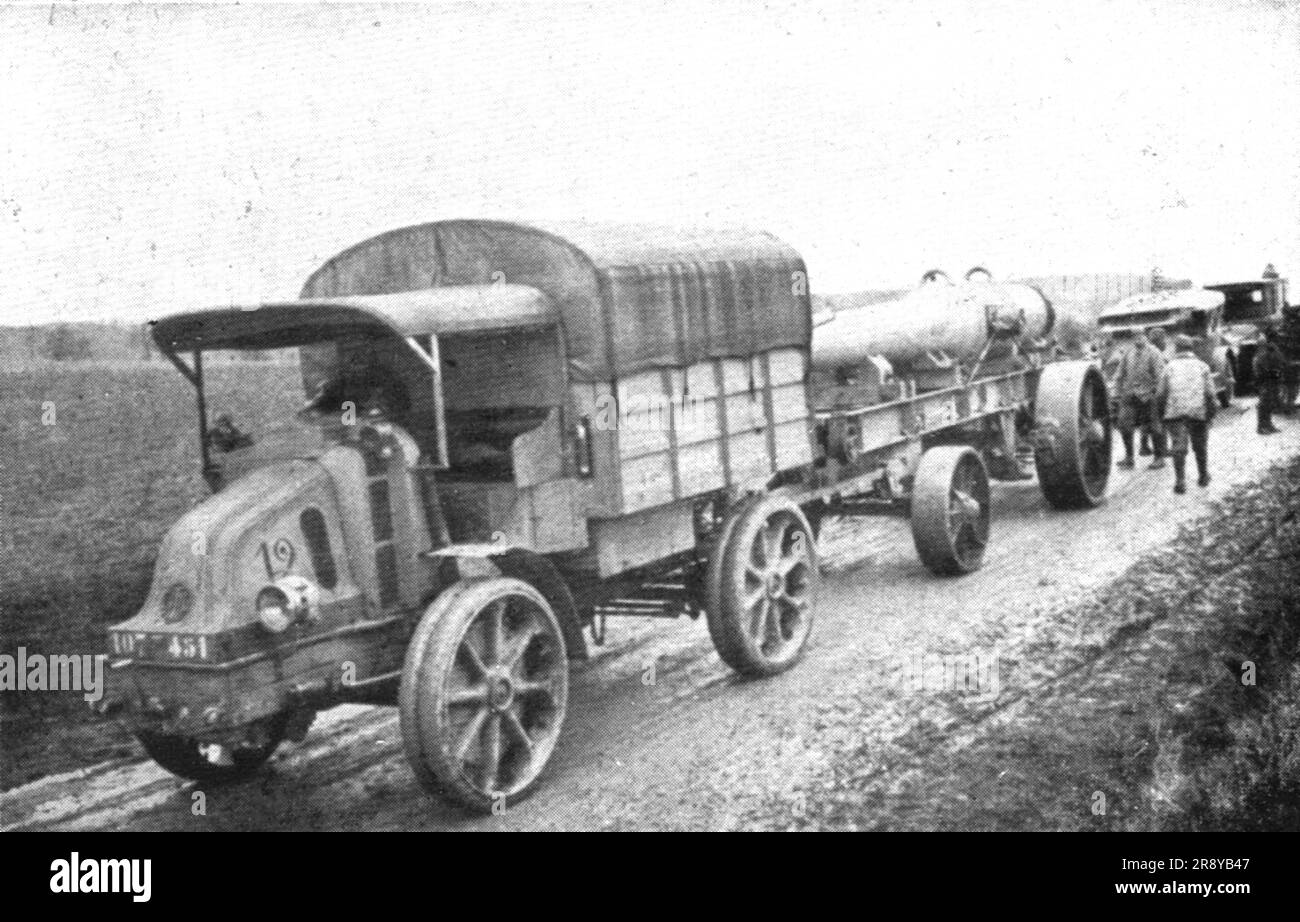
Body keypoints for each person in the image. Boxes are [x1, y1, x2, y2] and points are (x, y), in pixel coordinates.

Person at [1157, 334, 1217, 494]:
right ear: (1192, 348)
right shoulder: (1202, 366)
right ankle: (1203, 476)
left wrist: (1162, 414)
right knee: (1200, 446)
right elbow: (1211, 394)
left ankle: (1180, 481)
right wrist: (1210, 415)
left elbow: (1161, 394)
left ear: (1176, 349)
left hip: (1175, 413)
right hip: (1198, 412)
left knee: (1178, 448)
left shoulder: (1169, 367)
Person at [1114, 327, 1167, 469]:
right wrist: (1117, 391)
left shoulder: (1154, 352)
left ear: (1145, 336)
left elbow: (1160, 376)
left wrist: (1156, 394)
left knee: (1155, 426)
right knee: (1124, 425)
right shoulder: (1128, 353)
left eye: (1140, 335)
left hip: (1149, 394)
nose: (1138, 338)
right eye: (1135, 336)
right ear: (1132, 338)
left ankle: (1159, 457)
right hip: (1131, 394)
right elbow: (1119, 374)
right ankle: (1129, 458)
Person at [1252, 327, 1284, 435]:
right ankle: (1261, 427)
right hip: (1265, 377)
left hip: (1271, 376)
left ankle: (1268, 425)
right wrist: (1268, 373)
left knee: (1270, 402)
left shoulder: (1271, 346)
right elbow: (1261, 361)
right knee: (1264, 403)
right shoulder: (1264, 345)